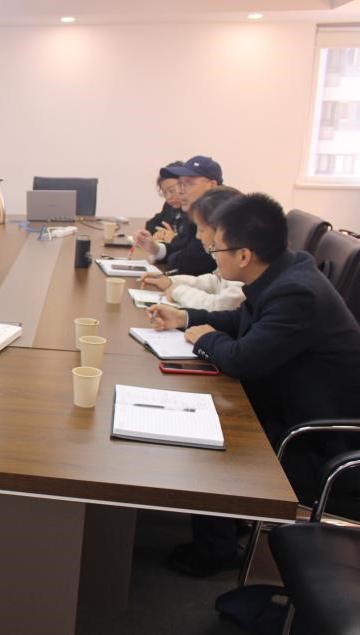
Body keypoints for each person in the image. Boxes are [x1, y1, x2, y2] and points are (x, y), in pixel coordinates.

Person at [147, 192, 360, 576]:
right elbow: (244, 323)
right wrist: (185, 318)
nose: (212, 256)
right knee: (210, 407)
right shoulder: (283, 272)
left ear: (244, 255)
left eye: (217, 249)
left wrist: (206, 338)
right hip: (288, 406)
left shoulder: (297, 294)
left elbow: (242, 358)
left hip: (318, 440)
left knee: (213, 431)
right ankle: (227, 525)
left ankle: (216, 550)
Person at [139, 186, 245, 311]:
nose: (198, 236)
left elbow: (222, 305)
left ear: (222, 230)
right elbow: (216, 281)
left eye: (202, 230)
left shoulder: (240, 259)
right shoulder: (225, 254)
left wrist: (178, 292)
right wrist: (171, 282)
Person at [134, 155, 223, 276]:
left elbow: (187, 263)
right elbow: (183, 248)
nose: (180, 191)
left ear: (212, 185)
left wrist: (174, 245)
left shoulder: (221, 216)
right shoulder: (195, 212)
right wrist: (155, 249)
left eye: (188, 184)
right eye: (180, 184)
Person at [145, 161, 184, 234]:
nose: (168, 197)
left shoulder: (193, 212)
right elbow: (151, 224)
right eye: (164, 193)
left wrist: (173, 238)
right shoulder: (169, 206)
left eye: (172, 190)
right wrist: (160, 233)